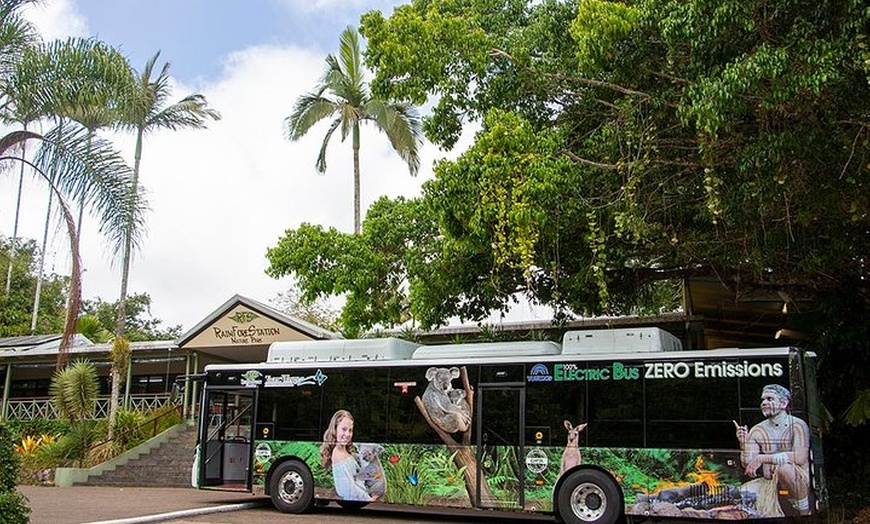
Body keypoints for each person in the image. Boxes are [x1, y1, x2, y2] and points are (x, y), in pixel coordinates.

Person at [734, 384, 810, 516]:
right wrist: (744, 444)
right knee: (739, 494)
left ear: (783, 403)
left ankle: (804, 513)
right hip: (768, 484)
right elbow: (748, 465)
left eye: (769, 399)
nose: (764, 403)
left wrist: (763, 458)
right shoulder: (757, 430)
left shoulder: (798, 425)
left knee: (784, 469)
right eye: (763, 400)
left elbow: (800, 457)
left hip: (797, 480)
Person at [320, 409, 373, 501]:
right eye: (344, 429)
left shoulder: (345, 451)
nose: (347, 434)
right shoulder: (338, 455)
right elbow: (349, 489)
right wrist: (369, 499)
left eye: (350, 430)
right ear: (335, 429)